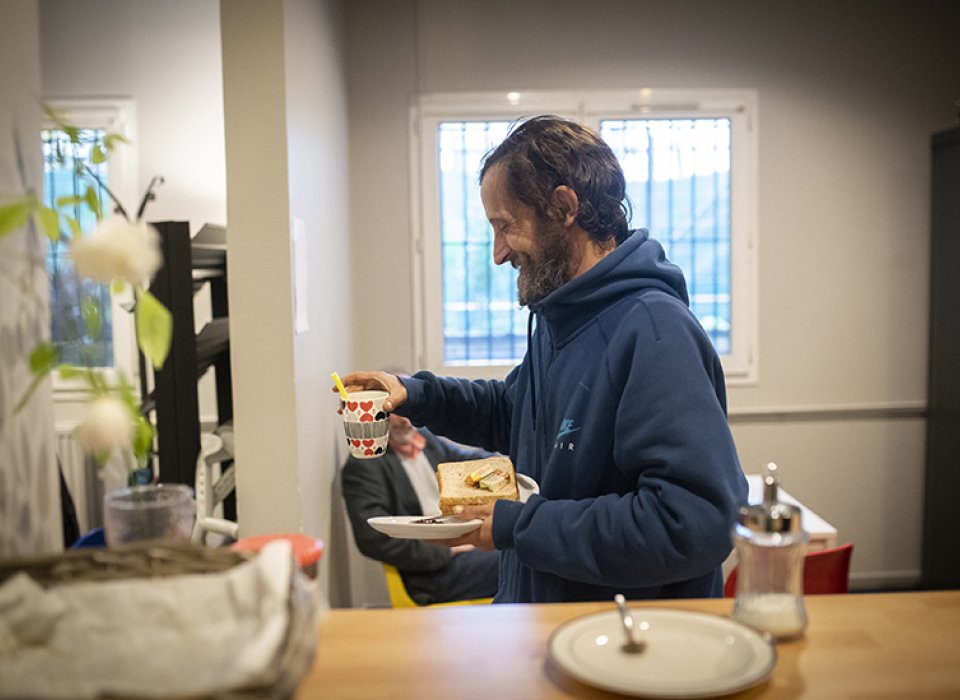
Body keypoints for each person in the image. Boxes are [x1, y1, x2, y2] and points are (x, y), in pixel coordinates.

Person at [338, 115, 748, 604]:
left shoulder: (654, 331)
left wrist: (519, 524)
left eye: (506, 226)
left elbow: (692, 522)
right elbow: (516, 413)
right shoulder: (563, 321)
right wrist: (416, 393)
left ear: (563, 207)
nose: (497, 254)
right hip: (540, 617)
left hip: (616, 642)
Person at [340, 412, 499, 606]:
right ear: (374, 417)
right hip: (431, 574)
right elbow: (372, 538)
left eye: (408, 409)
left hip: (464, 546)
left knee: (516, 548)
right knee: (516, 560)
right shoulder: (364, 465)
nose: (405, 419)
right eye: (395, 413)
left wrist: (506, 465)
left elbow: (466, 461)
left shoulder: (425, 440)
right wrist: (448, 550)